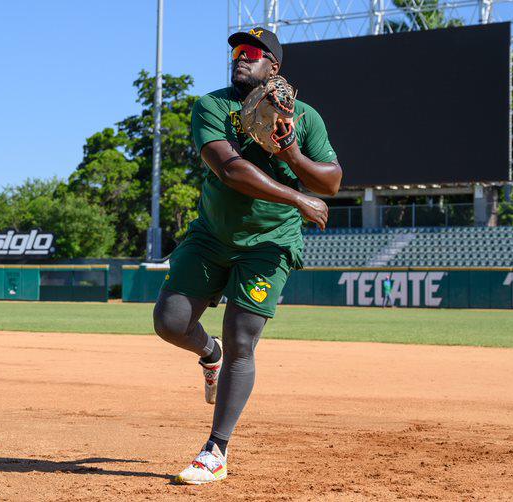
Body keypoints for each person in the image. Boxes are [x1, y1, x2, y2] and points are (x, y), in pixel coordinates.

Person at [152, 27, 342, 484]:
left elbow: (331, 182)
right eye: (237, 51)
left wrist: (292, 154)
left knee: (242, 338)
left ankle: (215, 450)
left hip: (269, 243)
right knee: (170, 322)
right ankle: (209, 354)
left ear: (273, 66)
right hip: (212, 235)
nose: (240, 57)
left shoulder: (305, 118)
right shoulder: (213, 106)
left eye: (252, 52)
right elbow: (230, 169)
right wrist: (298, 197)